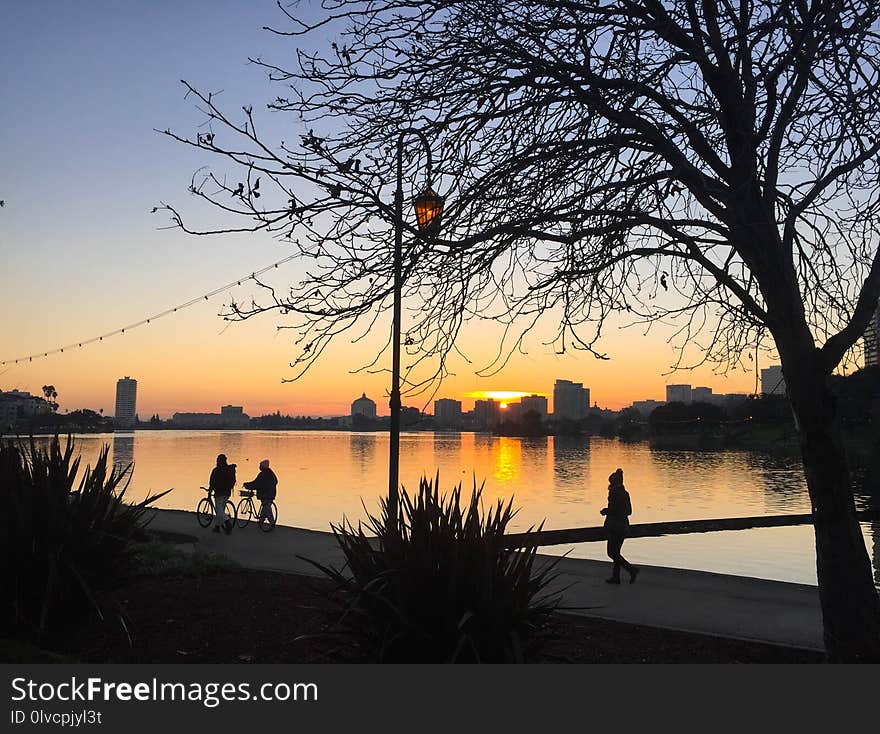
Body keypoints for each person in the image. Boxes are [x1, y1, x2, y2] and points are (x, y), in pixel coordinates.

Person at [600, 467, 639, 584]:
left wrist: (606, 511)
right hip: (623, 526)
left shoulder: (614, 493)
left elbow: (614, 510)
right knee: (616, 552)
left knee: (611, 553)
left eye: (610, 482)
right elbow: (629, 511)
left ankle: (631, 570)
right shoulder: (625, 493)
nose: (609, 485)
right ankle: (616, 577)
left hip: (615, 527)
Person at [243, 458, 278, 525]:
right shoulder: (270, 473)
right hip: (271, 494)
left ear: (263, 467)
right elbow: (274, 482)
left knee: (267, 508)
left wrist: (247, 485)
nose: (259, 467)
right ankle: (261, 521)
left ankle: (272, 522)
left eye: (260, 465)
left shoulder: (263, 474)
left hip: (266, 494)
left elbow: (256, 483)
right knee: (265, 507)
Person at [209, 453, 236, 534]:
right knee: (221, 510)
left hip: (219, 493)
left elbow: (212, 482)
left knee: (219, 510)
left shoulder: (216, 470)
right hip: (227, 492)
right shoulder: (229, 469)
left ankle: (227, 522)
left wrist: (210, 491)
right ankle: (217, 527)